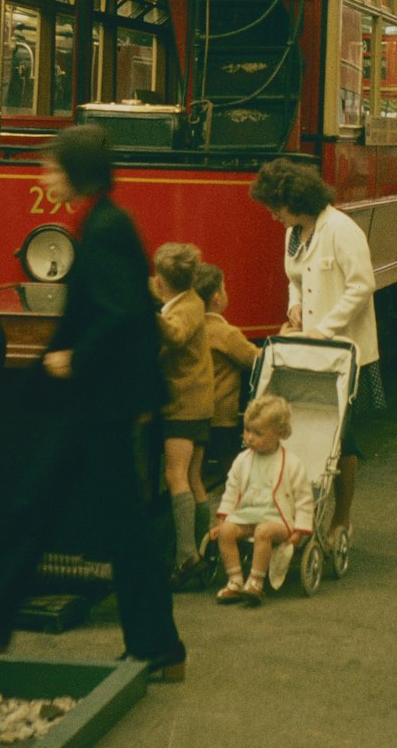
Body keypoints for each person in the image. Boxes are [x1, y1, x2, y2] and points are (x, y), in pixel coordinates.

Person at [0, 125, 186, 678]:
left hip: (102, 402)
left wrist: (75, 359)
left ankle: (159, 647)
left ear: (77, 172)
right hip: (92, 402)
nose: (44, 174)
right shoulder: (100, 220)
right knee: (40, 504)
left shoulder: (107, 226)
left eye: (53, 166)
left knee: (113, 526)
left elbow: (121, 313)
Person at [249, 159, 382, 539]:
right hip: (306, 347)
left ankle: (342, 517)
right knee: (311, 428)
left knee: (343, 437)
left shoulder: (341, 229)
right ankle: (302, 515)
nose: (273, 216)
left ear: (297, 200)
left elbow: (362, 285)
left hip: (343, 349)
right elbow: (296, 276)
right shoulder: (294, 231)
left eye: (277, 208)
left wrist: (324, 328)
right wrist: (294, 304)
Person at [151, 241, 215, 586]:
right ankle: (205, 550)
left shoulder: (188, 308)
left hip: (183, 403)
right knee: (193, 477)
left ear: (162, 280)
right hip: (198, 401)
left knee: (175, 475)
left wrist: (149, 312)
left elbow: (174, 334)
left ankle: (187, 558)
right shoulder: (185, 297)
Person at [210, 394, 313, 605]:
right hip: (247, 515)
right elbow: (231, 491)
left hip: (277, 520)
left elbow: (304, 499)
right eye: (247, 430)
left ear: (280, 433)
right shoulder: (242, 460)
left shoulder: (292, 464)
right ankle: (236, 580)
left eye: (258, 433)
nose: (249, 438)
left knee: (263, 531)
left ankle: (255, 582)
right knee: (227, 531)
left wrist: (299, 531)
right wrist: (223, 519)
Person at [193, 262, 261, 486]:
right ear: (216, 298)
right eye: (223, 288)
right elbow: (254, 358)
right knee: (231, 469)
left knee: (196, 470)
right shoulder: (226, 333)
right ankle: (236, 511)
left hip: (196, 413)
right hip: (222, 416)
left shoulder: (192, 328)